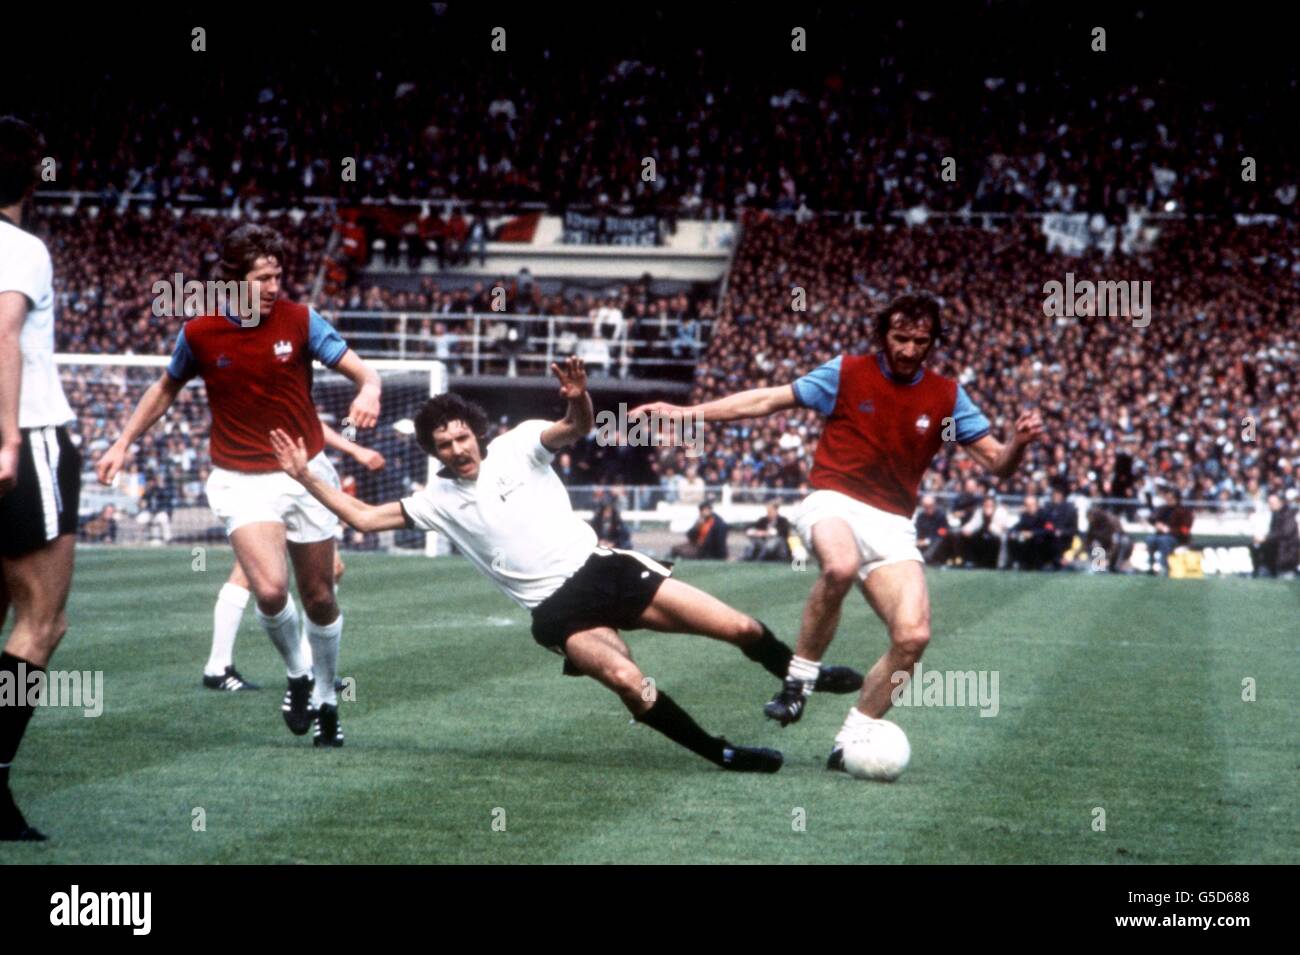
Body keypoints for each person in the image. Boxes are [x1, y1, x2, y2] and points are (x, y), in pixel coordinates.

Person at [267, 357, 863, 773]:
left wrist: (579, 397)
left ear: (477, 432)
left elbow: (575, 427)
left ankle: (799, 673)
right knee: (631, 683)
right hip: (557, 612)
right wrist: (303, 478)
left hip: (607, 570)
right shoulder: (434, 502)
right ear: (433, 452)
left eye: (462, 437)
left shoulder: (520, 442)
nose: (457, 449)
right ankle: (722, 753)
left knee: (739, 628)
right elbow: (364, 518)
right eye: (444, 445)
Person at [632, 292, 1042, 770]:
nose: (910, 349)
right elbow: (766, 400)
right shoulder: (846, 372)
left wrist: (1018, 444)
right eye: (901, 338)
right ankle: (798, 682)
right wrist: (685, 414)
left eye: (921, 341)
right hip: (833, 501)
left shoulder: (947, 395)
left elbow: (997, 463)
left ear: (933, 342)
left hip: (892, 523)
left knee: (914, 637)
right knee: (841, 565)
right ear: (883, 335)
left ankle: (850, 739)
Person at [96, 223, 381, 747]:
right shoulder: (200, 332)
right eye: (263, 277)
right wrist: (122, 443)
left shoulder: (301, 320)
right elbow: (164, 391)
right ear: (233, 279)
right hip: (240, 480)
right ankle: (298, 674)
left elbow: (365, 373)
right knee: (270, 590)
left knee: (319, 596)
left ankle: (326, 696)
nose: (274, 287)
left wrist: (370, 390)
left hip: (306, 474)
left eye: (278, 275)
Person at [0, 117, 82, 841]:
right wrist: (7, 440)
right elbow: (4, 333)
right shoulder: (21, 248)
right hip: (29, 441)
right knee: (41, 621)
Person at [202, 421, 385, 691]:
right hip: (268, 478)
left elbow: (311, 423)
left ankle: (308, 667)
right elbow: (308, 422)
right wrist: (355, 450)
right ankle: (219, 666)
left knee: (332, 570)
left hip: (302, 473)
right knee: (248, 575)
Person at [1147, 488, 1194, 576]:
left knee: (1164, 540)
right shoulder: (1164, 508)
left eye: (1170, 499)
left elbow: (1185, 530)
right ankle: (1151, 565)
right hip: (1161, 535)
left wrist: (1169, 530)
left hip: (1177, 538)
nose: (1168, 501)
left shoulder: (1185, 512)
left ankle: (1165, 567)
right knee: (1150, 539)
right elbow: (1152, 518)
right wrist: (1157, 524)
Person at [1251, 492, 1299, 578]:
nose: (1270, 505)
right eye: (1269, 503)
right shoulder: (1276, 514)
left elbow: (1284, 533)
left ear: (1280, 502)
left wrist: (1265, 538)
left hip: (1286, 558)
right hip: (1277, 557)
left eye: (1272, 503)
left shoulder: (1288, 515)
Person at [959, 495, 1009, 568]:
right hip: (981, 534)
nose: (988, 507)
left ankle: (993, 564)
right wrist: (965, 530)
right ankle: (970, 562)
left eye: (990, 505)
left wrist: (989, 518)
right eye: (986, 505)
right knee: (968, 537)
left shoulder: (1001, 512)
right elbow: (973, 523)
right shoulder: (980, 511)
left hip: (996, 536)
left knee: (992, 540)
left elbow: (999, 530)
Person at [1084, 506, 1134, 573]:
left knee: (1124, 541)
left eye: (1090, 518)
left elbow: (1116, 542)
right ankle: (1099, 567)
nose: (1089, 520)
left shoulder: (1112, 521)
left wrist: (1108, 559)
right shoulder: (1092, 524)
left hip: (1117, 548)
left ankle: (1118, 566)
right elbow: (1088, 541)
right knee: (1095, 543)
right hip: (1104, 548)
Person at [1009, 494, 1052, 570]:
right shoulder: (1024, 515)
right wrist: (1012, 532)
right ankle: (1017, 563)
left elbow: (1049, 530)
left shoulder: (1045, 514)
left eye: (1032, 505)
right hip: (1029, 544)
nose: (1030, 507)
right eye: (1027, 505)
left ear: (1037, 505)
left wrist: (1033, 533)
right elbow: (1018, 526)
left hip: (1043, 544)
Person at [1044, 484, 1079, 569]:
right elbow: (1045, 523)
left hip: (1065, 538)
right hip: (1049, 536)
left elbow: (1073, 529)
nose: (1055, 496)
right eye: (1054, 494)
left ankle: (1060, 563)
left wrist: (1062, 532)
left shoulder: (1070, 510)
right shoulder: (1048, 507)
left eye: (1057, 494)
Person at [914, 494, 956, 566]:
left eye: (931, 506)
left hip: (937, 541)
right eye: (926, 506)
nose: (929, 508)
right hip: (922, 541)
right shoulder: (921, 517)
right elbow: (918, 530)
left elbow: (943, 532)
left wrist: (928, 540)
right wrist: (919, 540)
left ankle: (925, 557)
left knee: (938, 541)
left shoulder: (941, 515)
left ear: (934, 505)